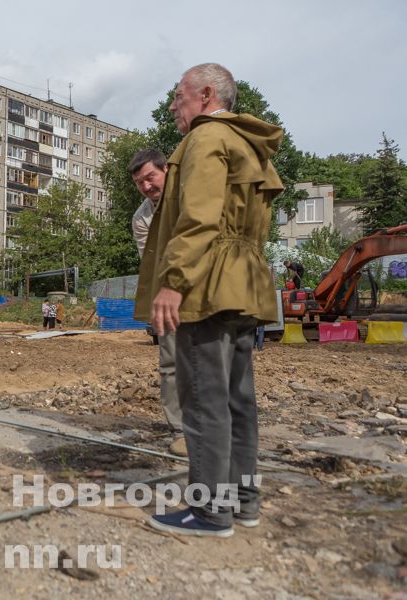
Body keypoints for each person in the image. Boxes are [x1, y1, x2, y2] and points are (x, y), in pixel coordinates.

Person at [135, 63, 282, 538]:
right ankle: (243, 503)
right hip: (246, 285)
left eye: (178, 97)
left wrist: (173, 281)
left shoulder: (203, 139)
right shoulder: (248, 143)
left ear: (203, 94)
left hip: (208, 285)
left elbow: (198, 218)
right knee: (239, 401)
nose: (173, 106)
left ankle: (209, 513)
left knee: (203, 402)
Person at [128, 148, 185, 456]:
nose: (147, 187)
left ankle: (217, 426)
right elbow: (153, 262)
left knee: (211, 361)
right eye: (140, 183)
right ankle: (180, 430)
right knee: (172, 362)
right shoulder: (142, 218)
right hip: (169, 296)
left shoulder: (188, 194)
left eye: (151, 177)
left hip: (204, 289)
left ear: (166, 169)